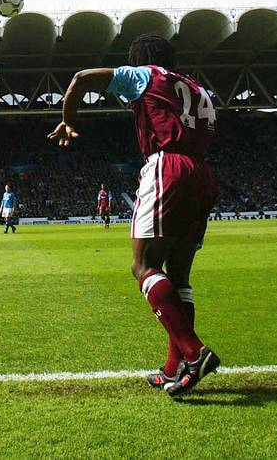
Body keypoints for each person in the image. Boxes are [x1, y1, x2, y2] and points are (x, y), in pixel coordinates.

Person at [48, 33, 219, 397]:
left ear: (139, 59)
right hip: (203, 172)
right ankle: (176, 368)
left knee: (143, 266)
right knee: (180, 276)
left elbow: (81, 78)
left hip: (167, 167)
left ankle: (195, 351)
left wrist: (67, 119)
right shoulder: (198, 89)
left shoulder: (145, 75)